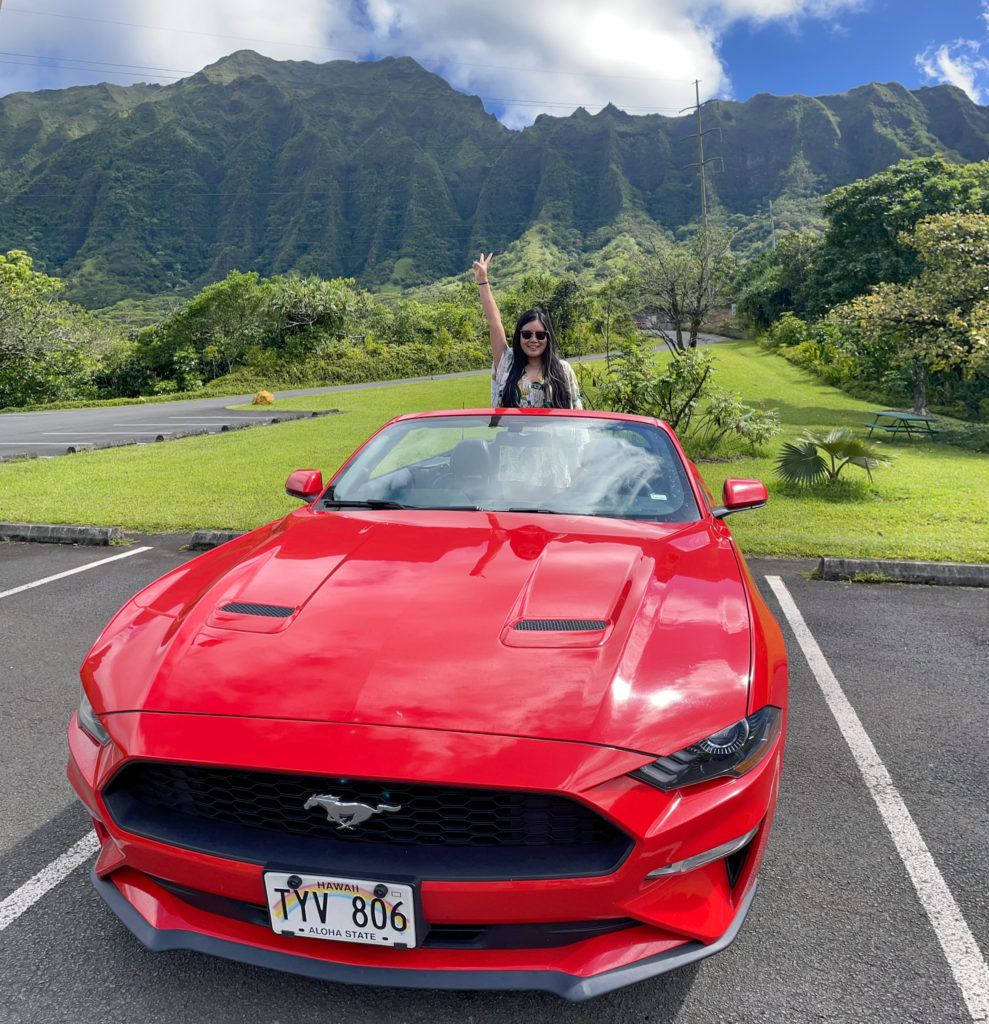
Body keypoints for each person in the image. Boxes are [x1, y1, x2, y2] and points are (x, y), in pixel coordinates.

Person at [472, 254, 582, 409]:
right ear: (519, 336)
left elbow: (577, 412)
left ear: (548, 338)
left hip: (553, 434)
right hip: (511, 434)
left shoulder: (563, 369)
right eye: (527, 334)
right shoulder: (507, 364)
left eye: (540, 335)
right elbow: (495, 323)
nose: (533, 340)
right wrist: (483, 281)